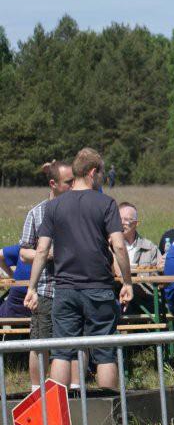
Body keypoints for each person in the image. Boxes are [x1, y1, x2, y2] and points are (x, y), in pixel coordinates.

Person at [25, 148, 133, 389]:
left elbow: (41, 251)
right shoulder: (106, 203)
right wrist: (127, 282)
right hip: (99, 287)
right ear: (93, 172)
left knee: (61, 351)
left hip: (64, 290)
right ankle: (108, 419)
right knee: (104, 352)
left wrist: (32, 287)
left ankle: (58, 419)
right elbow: (119, 246)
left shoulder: (54, 206)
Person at [19, 160, 74, 390]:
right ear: (53, 184)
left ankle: (72, 393)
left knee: (74, 344)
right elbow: (23, 251)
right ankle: (37, 393)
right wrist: (46, 254)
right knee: (40, 343)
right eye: (68, 182)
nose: (73, 186)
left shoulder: (78, 209)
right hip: (45, 289)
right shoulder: (36, 212)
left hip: (74, 287)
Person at [119, 202, 159, 269]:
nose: (122, 223)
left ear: (136, 223)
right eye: (119, 219)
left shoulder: (150, 248)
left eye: (127, 220)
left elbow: (158, 273)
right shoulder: (109, 247)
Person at [0, 244, 32, 318]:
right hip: (38, 307)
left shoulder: (23, 249)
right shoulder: (56, 252)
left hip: (14, 307)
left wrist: (11, 275)